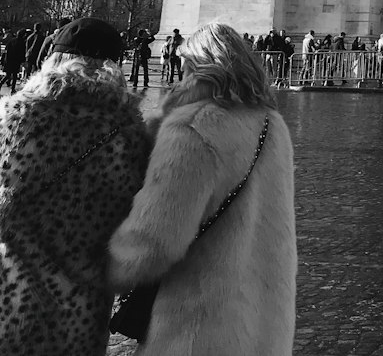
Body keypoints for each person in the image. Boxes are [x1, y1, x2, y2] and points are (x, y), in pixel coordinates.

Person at [107, 21, 296, 356]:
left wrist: (109, 270)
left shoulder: (193, 127)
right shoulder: (272, 124)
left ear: (195, 66)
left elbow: (156, 240)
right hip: (265, 320)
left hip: (199, 324)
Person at [0, 17, 149, 356]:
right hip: (83, 307)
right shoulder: (129, 132)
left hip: (10, 296)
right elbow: (130, 219)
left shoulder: (14, 116)